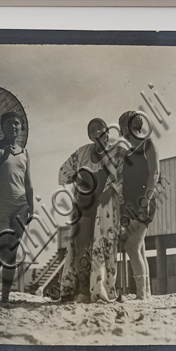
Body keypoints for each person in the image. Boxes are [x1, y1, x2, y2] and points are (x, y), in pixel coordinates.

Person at [58, 118, 122, 303]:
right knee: (82, 250)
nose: (96, 132)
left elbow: (124, 176)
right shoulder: (82, 153)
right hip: (84, 208)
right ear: (89, 135)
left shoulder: (116, 152)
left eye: (100, 129)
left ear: (107, 132)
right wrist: (76, 179)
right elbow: (63, 172)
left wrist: (110, 190)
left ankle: (103, 291)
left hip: (105, 210)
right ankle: (84, 291)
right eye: (92, 129)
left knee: (105, 251)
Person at [0, 111, 34, 303]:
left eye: (17, 124)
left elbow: (28, 183)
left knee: (12, 253)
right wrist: (2, 158)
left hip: (21, 205)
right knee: (0, 249)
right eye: (10, 123)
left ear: (21, 128)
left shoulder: (25, 152)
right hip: (0, 204)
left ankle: (5, 297)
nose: (14, 126)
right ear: (2, 127)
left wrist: (32, 206)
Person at [118, 111, 160, 300]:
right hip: (128, 204)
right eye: (121, 126)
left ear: (136, 125)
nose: (123, 130)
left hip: (143, 201)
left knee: (132, 247)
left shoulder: (148, 144)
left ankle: (141, 294)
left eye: (125, 125)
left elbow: (154, 175)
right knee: (139, 247)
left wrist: (146, 200)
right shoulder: (127, 152)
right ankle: (146, 293)